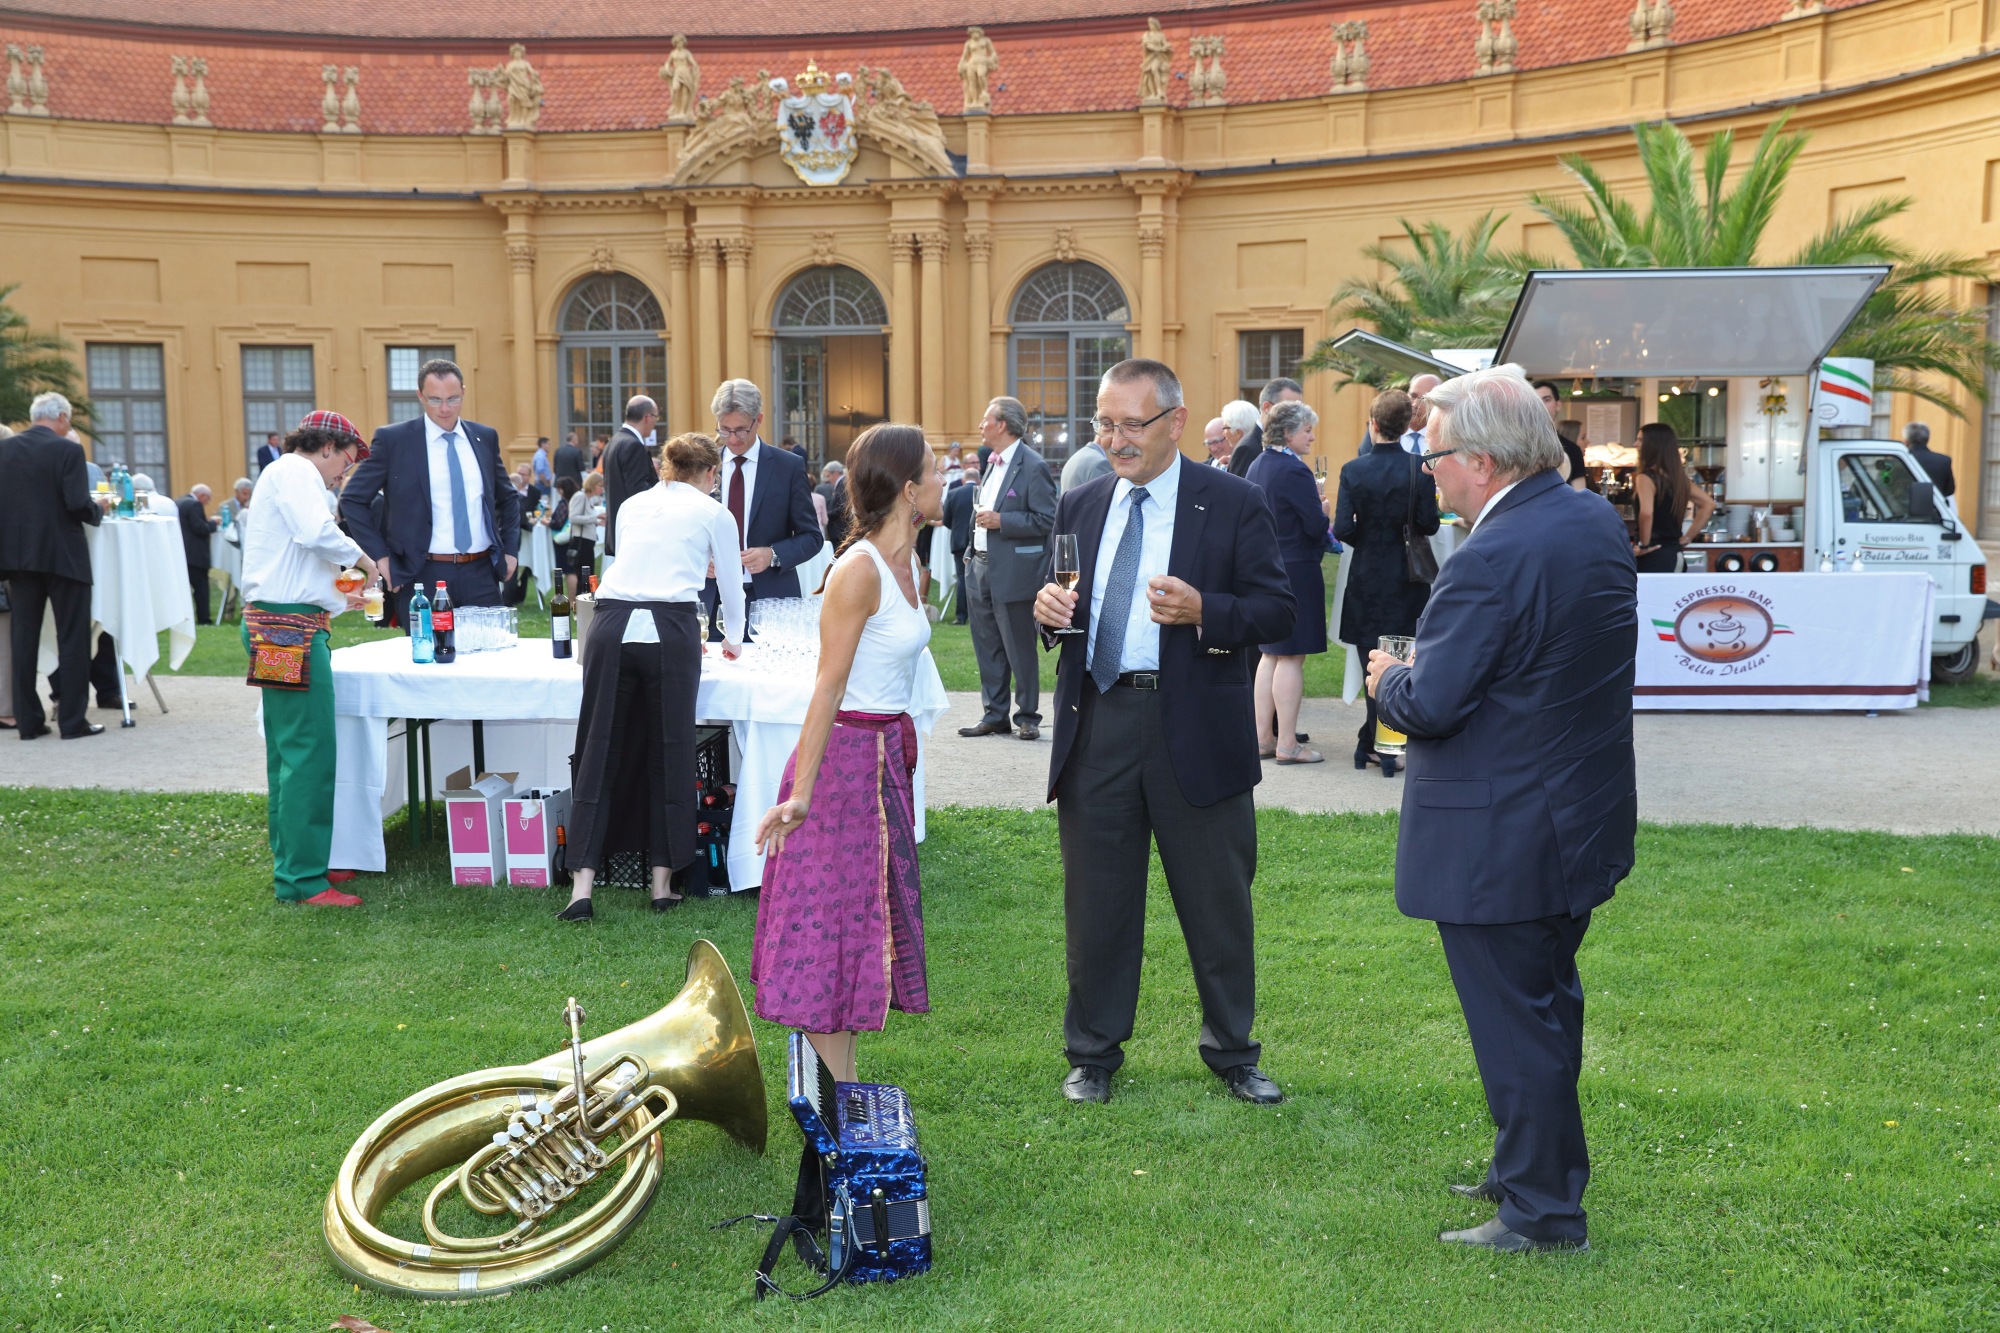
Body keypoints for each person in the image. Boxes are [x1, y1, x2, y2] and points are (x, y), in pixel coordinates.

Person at [1365, 364, 1635, 1254]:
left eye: (1432, 453)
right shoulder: (1589, 516)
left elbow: (1431, 703)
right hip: (1572, 815)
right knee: (1548, 1005)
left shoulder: (1490, 553)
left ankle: (1543, 1213)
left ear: (1480, 461)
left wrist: (1385, 679)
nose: (1426, 469)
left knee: (1520, 1021)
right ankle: (1532, 1165)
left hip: (1504, 833)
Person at [1032, 358, 1294, 1106]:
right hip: (1099, 722)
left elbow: (1278, 611)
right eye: (1104, 424)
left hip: (1196, 727)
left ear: (1175, 422)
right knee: (1097, 901)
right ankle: (1092, 1053)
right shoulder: (1080, 503)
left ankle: (1234, 1051)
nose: (1115, 440)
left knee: (1216, 900)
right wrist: (1049, 614)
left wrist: (1205, 608)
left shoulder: (1233, 501)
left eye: (1129, 425)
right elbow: (1066, 598)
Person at [751, 423, 942, 1082]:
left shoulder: (911, 566)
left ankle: (842, 1104)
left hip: (883, 758)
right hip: (840, 770)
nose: (947, 481)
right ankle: (839, 1119)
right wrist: (799, 793)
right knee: (831, 946)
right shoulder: (856, 571)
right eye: (937, 471)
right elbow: (827, 687)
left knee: (862, 939)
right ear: (911, 490)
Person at [560, 433, 744, 922]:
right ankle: (662, 884)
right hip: (670, 624)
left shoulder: (633, 505)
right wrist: (735, 639)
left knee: (599, 746)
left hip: (612, 623)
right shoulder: (714, 512)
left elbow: (621, 563)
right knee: (672, 747)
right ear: (709, 474)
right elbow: (730, 584)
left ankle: (582, 887)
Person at [239, 412, 380, 907]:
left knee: (290, 755)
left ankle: (301, 866)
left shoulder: (285, 474)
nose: (347, 470)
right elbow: (316, 535)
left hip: (285, 624)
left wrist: (343, 599)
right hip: (286, 630)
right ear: (327, 446)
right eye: (348, 459)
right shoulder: (296, 472)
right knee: (307, 755)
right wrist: (365, 561)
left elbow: (296, 563)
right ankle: (301, 879)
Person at [339, 357, 521, 627]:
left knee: (488, 661)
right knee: (428, 662)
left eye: (453, 399)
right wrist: (381, 557)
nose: (445, 408)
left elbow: (508, 498)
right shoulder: (395, 441)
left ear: (463, 393)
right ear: (420, 396)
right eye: (435, 399)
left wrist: (510, 551)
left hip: (482, 573)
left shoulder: (485, 437)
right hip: (422, 574)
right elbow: (352, 499)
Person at [1335, 389, 1438, 776]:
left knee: (1370, 663)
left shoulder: (1353, 470)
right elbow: (1428, 523)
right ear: (1408, 424)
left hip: (1366, 576)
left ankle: (1374, 743)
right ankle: (1382, 745)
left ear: (1373, 424)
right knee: (1403, 661)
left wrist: (1371, 537)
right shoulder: (1420, 467)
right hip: (1407, 578)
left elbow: (1343, 527)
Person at [0, 393, 108, 740]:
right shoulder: (67, 450)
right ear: (61, 417)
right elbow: (77, 504)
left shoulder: (5, 450)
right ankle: (73, 721)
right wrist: (99, 510)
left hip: (18, 558)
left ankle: (29, 722)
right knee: (73, 638)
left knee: (23, 638)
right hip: (63, 556)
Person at [959, 395, 1057, 741]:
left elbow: (1048, 518)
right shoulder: (991, 462)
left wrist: (1003, 520)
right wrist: (971, 555)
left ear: (1002, 424)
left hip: (1015, 571)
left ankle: (1028, 717)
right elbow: (979, 512)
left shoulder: (1033, 465)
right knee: (987, 644)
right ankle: (995, 714)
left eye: (986, 420)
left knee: (1019, 646)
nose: (981, 426)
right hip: (980, 568)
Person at [1246, 400, 1334, 765]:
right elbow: (1314, 526)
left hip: (1264, 569)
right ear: (1287, 432)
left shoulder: (1256, 464)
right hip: (1296, 569)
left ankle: (1263, 738)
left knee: (1269, 653)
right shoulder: (1293, 471)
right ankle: (1287, 744)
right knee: (1291, 657)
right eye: (1307, 430)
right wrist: (1324, 512)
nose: (1312, 437)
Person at [704, 380, 822, 634]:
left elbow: (812, 537)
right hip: (708, 602)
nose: (732, 439)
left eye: (740, 430)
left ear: (758, 420)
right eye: (724, 430)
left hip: (770, 603)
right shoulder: (701, 465)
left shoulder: (788, 467)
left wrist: (773, 554)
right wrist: (701, 560)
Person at [1631, 422, 1715, 573]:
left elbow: (1647, 513)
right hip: (1676, 555)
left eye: (1640, 440)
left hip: (1653, 557)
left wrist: (1644, 544)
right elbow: (1708, 504)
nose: (1635, 444)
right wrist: (1688, 537)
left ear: (1654, 445)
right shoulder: (1678, 478)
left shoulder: (1645, 477)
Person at [600, 396, 660, 561]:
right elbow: (639, 492)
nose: (655, 422)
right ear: (647, 417)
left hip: (619, 528)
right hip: (634, 532)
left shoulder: (614, 442)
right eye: (656, 417)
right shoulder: (633, 445)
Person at [1228, 378, 1302, 477]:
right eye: (1289, 409)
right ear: (1267, 407)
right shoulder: (1248, 449)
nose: (1297, 416)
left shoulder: (1285, 443)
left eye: (1299, 410)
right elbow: (1239, 491)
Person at [178, 483, 219, 625]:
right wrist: (213, 524)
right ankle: (204, 619)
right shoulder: (194, 505)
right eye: (207, 499)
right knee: (201, 590)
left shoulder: (179, 501)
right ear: (202, 496)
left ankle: (183, 618)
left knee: (183, 589)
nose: (207, 503)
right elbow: (200, 528)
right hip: (195, 555)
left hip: (182, 553)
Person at [1533, 381, 1588, 484]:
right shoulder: (1518, 447)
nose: (1540, 405)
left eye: (1546, 399)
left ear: (1558, 405)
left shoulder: (1573, 450)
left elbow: (1579, 492)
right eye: (1535, 400)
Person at [942, 468, 976, 624]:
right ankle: (979, 615)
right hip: (979, 542)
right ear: (979, 480)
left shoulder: (953, 494)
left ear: (963, 480)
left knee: (962, 578)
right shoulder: (983, 493)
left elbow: (946, 520)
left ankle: (961, 616)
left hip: (958, 541)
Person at [565, 471, 604, 595]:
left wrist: (597, 521)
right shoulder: (580, 496)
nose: (602, 489)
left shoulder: (588, 499)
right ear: (592, 485)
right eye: (600, 485)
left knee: (587, 576)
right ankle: (581, 605)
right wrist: (595, 518)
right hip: (581, 542)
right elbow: (573, 518)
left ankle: (584, 604)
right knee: (584, 576)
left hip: (587, 541)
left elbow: (584, 518)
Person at [1905, 422, 1954, 498]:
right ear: (1927, 440)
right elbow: (1949, 490)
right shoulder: (1944, 461)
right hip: (1933, 508)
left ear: (1906, 441)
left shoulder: (1898, 459)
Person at [1400, 373, 1441, 455]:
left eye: (1424, 399)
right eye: (1413, 396)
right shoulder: (1384, 430)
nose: (1415, 405)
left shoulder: (1445, 441)